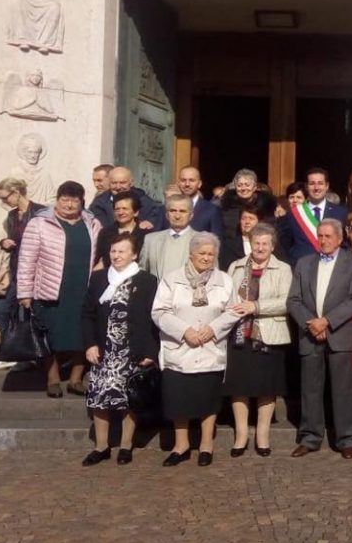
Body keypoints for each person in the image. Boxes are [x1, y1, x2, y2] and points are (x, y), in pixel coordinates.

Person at [151, 232, 236, 467]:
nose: (206, 258)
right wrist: (184, 331)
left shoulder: (224, 280)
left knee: (208, 398)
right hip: (180, 348)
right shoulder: (172, 279)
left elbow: (233, 310)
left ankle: (206, 444)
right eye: (202, 253)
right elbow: (159, 311)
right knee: (179, 399)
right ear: (191, 254)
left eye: (211, 254)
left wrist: (214, 328)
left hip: (210, 348)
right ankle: (181, 445)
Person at [80, 231, 159, 466]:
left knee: (128, 399)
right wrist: (90, 344)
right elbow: (87, 314)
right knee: (99, 398)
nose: (116, 255)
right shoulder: (98, 279)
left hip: (131, 350)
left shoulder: (146, 281)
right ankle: (101, 446)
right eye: (113, 251)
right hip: (104, 350)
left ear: (134, 255)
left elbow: (152, 318)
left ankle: (126, 445)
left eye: (122, 251)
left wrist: (150, 351)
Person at [288, 219, 352, 459]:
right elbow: (293, 300)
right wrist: (312, 323)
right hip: (310, 334)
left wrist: (327, 321)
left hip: (339, 334)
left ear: (340, 239)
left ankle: (347, 439)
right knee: (310, 390)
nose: (323, 240)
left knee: (343, 390)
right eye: (320, 235)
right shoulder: (304, 263)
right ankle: (310, 437)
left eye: (328, 236)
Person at [17, 181, 102, 398]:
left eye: (74, 200)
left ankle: (76, 379)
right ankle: (53, 378)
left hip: (83, 289)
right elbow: (26, 259)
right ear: (57, 200)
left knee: (82, 334)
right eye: (65, 200)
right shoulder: (39, 223)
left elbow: (100, 254)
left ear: (82, 202)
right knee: (50, 336)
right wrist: (25, 292)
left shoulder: (93, 223)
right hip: (51, 290)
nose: (69, 205)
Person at [222, 223, 291, 457]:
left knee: (266, 387)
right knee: (238, 386)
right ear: (250, 244)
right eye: (256, 243)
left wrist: (256, 306)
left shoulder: (283, 269)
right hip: (239, 334)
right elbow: (226, 295)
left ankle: (262, 435)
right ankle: (241, 435)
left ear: (272, 246)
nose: (260, 248)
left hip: (268, 334)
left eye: (265, 244)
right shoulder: (235, 266)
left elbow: (287, 301)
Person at [0, 177, 44, 369]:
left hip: (35, 271)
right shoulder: (12, 216)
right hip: (16, 270)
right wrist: (4, 243)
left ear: (16, 193)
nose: (3, 202)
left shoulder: (40, 212)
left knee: (26, 314)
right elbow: (8, 237)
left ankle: (26, 355)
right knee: (1, 309)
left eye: (5, 198)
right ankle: (10, 350)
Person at [279, 167, 347, 263]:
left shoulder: (340, 212)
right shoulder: (293, 214)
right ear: (306, 187)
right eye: (312, 184)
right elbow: (284, 246)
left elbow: (344, 245)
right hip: (302, 268)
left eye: (320, 183)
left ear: (327, 186)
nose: (316, 188)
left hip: (332, 267)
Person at [87, 165, 163, 231]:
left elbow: (158, 213)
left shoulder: (142, 198)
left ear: (131, 183)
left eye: (122, 183)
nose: (118, 187)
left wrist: (150, 221)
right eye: (114, 183)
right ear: (109, 183)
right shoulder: (99, 203)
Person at [140, 195, 194, 278]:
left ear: (191, 215)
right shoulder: (150, 240)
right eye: (173, 211)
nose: (177, 216)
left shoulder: (202, 241)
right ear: (167, 215)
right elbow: (142, 273)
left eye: (182, 211)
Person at [92, 191, 145, 270]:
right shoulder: (105, 233)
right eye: (117, 209)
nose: (120, 212)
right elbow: (100, 259)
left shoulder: (145, 234)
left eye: (125, 209)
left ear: (136, 212)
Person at [220, 168, 275, 238]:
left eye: (247, 185)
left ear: (254, 187)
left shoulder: (266, 204)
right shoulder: (227, 204)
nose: (243, 188)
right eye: (239, 185)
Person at [177, 165, 222, 236]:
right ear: (179, 183)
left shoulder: (212, 210)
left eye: (191, 180)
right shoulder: (165, 209)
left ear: (199, 184)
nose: (187, 184)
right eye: (183, 180)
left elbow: (217, 239)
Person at [220, 207, 264, 271]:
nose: (247, 222)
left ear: (259, 222)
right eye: (243, 218)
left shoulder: (267, 244)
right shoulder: (229, 246)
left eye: (251, 218)